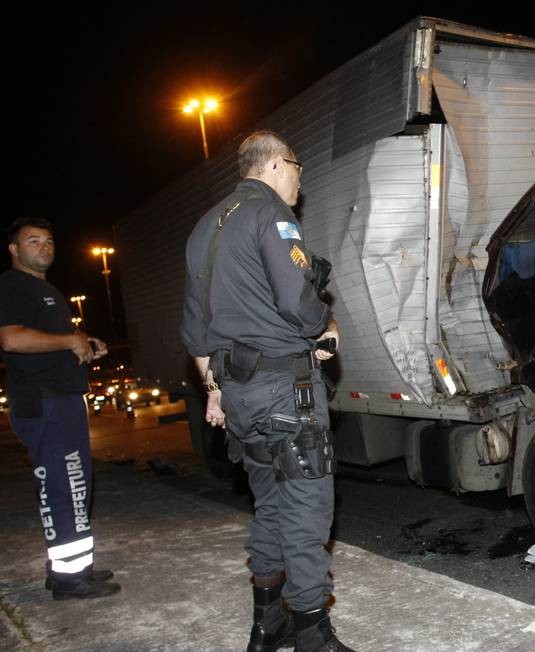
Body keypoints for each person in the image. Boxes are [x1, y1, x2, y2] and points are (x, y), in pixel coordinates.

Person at [181, 130, 352, 652]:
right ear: (278, 164)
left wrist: (214, 388)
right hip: (285, 388)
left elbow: (195, 330)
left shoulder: (203, 228)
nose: (301, 181)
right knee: (306, 508)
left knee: (271, 505)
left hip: (237, 395)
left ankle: (266, 625)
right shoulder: (272, 215)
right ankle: (311, 636)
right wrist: (327, 326)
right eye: (298, 168)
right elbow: (299, 303)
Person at [0, 217, 120, 600]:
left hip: (63, 399)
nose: (44, 247)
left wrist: (85, 343)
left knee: (76, 486)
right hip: (45, 402)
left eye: (49, 241)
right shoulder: (12, 285)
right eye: (33, 241)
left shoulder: (44, 289)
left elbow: (54, 343)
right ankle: (70, 582)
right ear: (14, 250)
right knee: (64, 487)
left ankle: (72, 567)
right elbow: (12, 339)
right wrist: (70, 341)